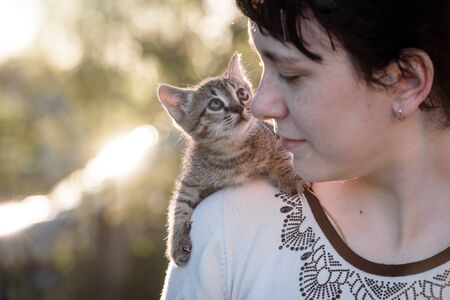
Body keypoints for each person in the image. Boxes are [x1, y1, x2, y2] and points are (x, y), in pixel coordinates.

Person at [161, 0, 450, 299]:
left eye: (290, 73)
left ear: (406, 81)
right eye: (262, 66)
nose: (258, 107)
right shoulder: (222, 230)